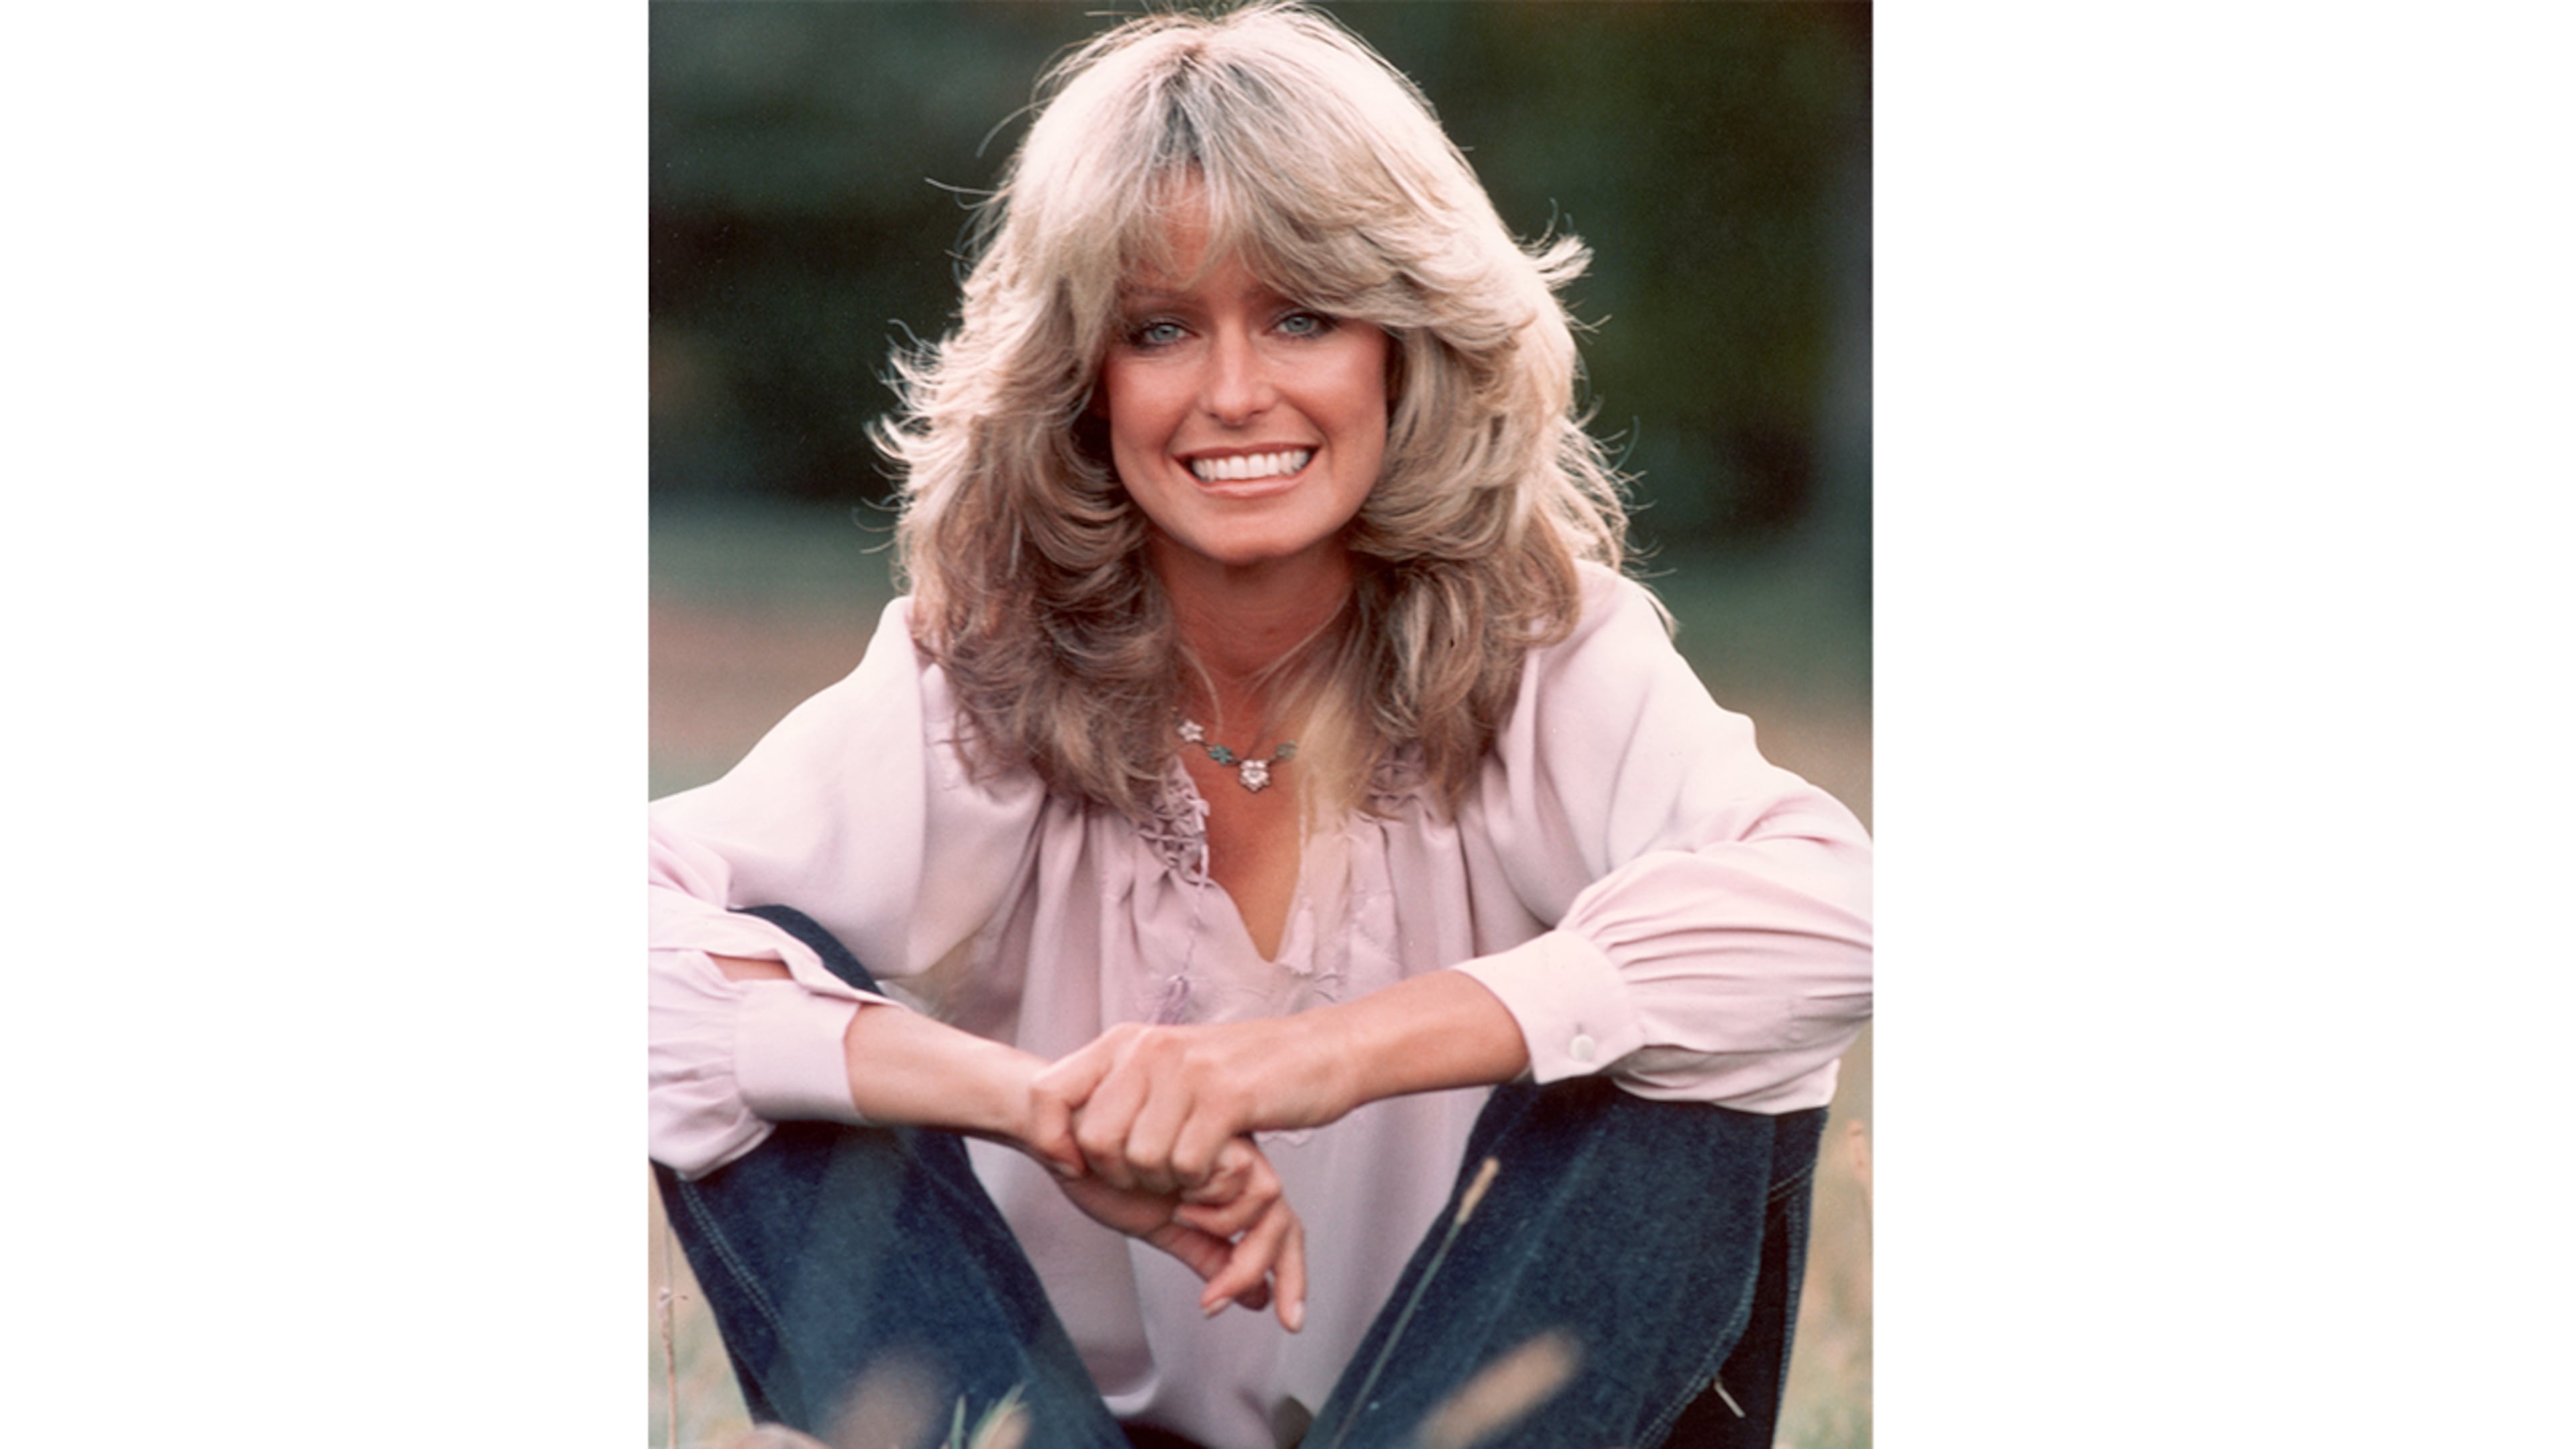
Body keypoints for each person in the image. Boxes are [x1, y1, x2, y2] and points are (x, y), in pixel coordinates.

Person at [647, 5, 1872, 1446]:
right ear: (1086, 385)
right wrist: (1035, 1104)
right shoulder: (976, 677)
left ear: (1407, 347)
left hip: (1478, 1421)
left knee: (1695, 1018)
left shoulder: (1553, 651)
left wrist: (1311, 1057)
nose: (1235, 392)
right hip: (1060, 1428)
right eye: (1161, 329)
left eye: (1303, 314)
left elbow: (1839, 911)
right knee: (770, 1007)